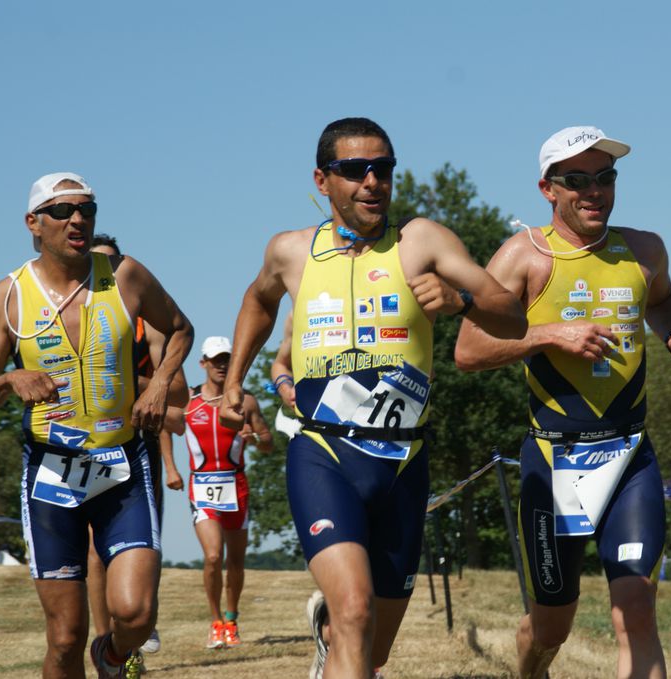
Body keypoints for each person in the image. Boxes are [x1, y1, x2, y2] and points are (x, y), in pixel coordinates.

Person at [219, 117, 527, 679]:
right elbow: (258, 303)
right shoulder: (291, 251)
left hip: (403, 463)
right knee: (356, 610)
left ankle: (332, 641)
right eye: (354, 170)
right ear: (322, 179)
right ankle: (340, 630)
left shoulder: (423, 241)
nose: (371, 181)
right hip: (325, 454)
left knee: (371, 647)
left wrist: (460, 300)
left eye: (382, 168)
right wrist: (235, 379)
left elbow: (510, 311)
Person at [455, 126, 671, 679]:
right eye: (578, 180)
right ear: (549, 188)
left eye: (606, 177)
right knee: (550, 625)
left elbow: (661, 300)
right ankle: (531, 671)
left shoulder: (644, 250)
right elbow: (468, 350)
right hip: (553, 462)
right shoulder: (525, 256)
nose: (595, 191)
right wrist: (547, 335)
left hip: (628, 456)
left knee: (635, 609)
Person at [0, 172, 194, 679]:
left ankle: (109, 657)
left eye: (87, 209)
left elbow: (180, 329)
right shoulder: (9, 296)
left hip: (123, 466)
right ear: (33, 223)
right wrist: (9, 379)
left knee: (135, 616)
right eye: (63, 211)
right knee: (64, 637)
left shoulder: (125, 275)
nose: (78, 220)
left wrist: (157, 386)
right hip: (51, 475)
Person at [85, 234, 188, 669]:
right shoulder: (68, 316)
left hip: (136, 446)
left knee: (138, 549)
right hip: (85, 445)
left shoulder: (148, 324)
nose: (106, 275)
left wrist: (120, 380)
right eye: (96, 266)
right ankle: (104, 642)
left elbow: (179, 399)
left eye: (114, 264)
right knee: (93, 551)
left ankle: (131, 632)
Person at [184, 336, 273, 649]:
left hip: (236, 486)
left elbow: (268, 442)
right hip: (201, 485)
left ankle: (232, 619)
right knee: (212, 556)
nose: (221, 365)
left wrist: (254, 439)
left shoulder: (246, 401)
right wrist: (169, 467)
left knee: (235, 560)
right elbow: (165, 429)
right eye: (215, 359)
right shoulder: (188, 401)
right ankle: (215, 622)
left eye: (226, 359)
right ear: (203, 363)